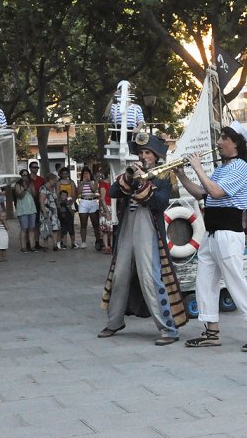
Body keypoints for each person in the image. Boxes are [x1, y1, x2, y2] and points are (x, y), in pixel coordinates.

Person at [175, 121, 247, 351]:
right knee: (204, 282)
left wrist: (197, 167)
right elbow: (201, 192)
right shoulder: (222, 168)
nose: (218, 143)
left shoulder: (240, 167)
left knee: (235, 281)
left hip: (228, 233)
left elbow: (216, 192)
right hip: (212, 232)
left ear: (235, 142)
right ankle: (211, 331)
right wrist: (181, 175)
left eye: (223, 139)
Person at [99, 135, 188, 345]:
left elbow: (159, 202)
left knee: (150, 276)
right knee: (119, 274)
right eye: (141, 153)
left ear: (156, 157)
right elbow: (112, 192)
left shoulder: (164, 178)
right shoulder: (130, 174)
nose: (143, 156)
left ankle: (168, 328)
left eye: (147, 153)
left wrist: (142, 183)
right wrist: (130, 178)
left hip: (148, 226)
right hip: (128, 226)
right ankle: (114, 321)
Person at [76, 167, 101, 250]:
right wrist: (82, 183)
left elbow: (94, 190)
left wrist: (90, 182)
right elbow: (79, 192)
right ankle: (83, 242)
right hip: (83, 202)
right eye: (84, 173)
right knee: (83, 223)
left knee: (95, 223)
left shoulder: (93, 182)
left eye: (87, 173)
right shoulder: (80, 183)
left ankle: (98, 240)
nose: (86, 175)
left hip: (93, 202)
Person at [13, 171, 38, 253]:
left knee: (31, 228)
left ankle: (32, 246)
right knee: (24, 228)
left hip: (31, 208)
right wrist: (25, 189)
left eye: (26, 175)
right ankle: (23, 247)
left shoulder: (31, 183)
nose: (25, 176)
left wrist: (31, 189)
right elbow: (20, 196)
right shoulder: (18, 185)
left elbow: (34, 194)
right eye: (23, 175)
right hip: (22, 209)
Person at [38, 173, 61, 252]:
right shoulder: (43, 188)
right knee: (46, 227)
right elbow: (41, 201)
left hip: (53, 211)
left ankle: (55, 245)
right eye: (54, 180)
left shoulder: (53, 189)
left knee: (55, 228)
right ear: (50, 180)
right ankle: (46, 245)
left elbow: (56, 198)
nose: (55, 182)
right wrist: (44, 212)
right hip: (46, 211)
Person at [98, 172, 113, 254]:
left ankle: (111, 245)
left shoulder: (113, 183)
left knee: (111, 228)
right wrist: (106, 211)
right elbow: (102, 199)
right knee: (106, 228)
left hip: (112, 206)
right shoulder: (103, 184)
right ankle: (106, 246)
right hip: (106, 206)